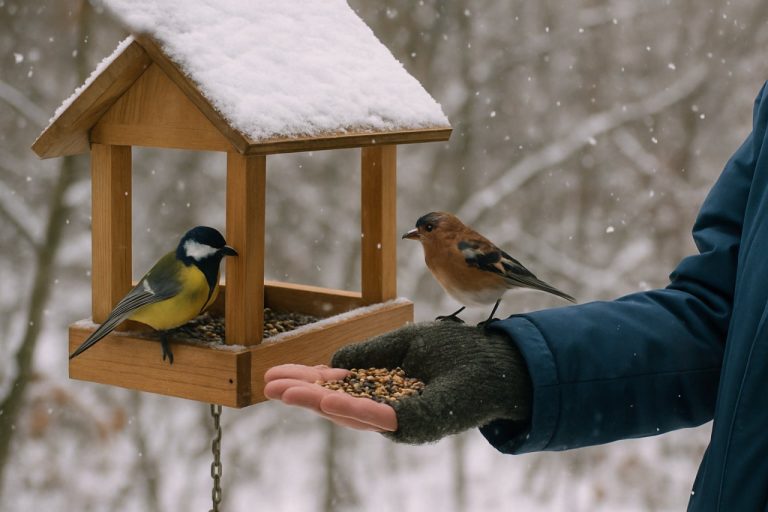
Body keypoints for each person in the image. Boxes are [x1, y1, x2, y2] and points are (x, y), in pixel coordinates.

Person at [265, 81, 768, 510]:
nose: (419, 233)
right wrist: (516, 363)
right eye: (420, 229)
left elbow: (501, 268)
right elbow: (719, 318)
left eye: (426, 227)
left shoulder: (462, 245)